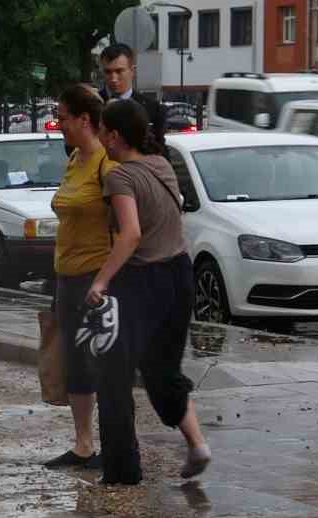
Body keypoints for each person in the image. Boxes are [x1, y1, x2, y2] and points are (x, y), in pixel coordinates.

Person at [85, 99, 211, 486]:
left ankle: (122, 471)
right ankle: (198, 445)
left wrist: (101, 281)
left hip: (141, 281)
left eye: (102, 130)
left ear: (115, 136)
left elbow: (131, 233)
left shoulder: (120, 177)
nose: (99, 137)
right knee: (162, 369)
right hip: (179, 275)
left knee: (113, 375)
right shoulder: (162, 165)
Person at [43, 84, 114, 471]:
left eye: (64, 118)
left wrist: (105, 281)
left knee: (96, 361)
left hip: (94, 277)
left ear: (84, 120)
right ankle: (83, 443)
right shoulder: (74, 160)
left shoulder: (107, 163)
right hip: (66, 274)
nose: (59, 125)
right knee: (73, 361)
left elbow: (122, 225)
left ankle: (111, 442)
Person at [98, 44, 167, 156]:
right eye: (108, 72)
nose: (113, 79)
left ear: (132, 71)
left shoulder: (153, 109)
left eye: (119, 71)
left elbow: (160, 153)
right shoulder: (93, 103)